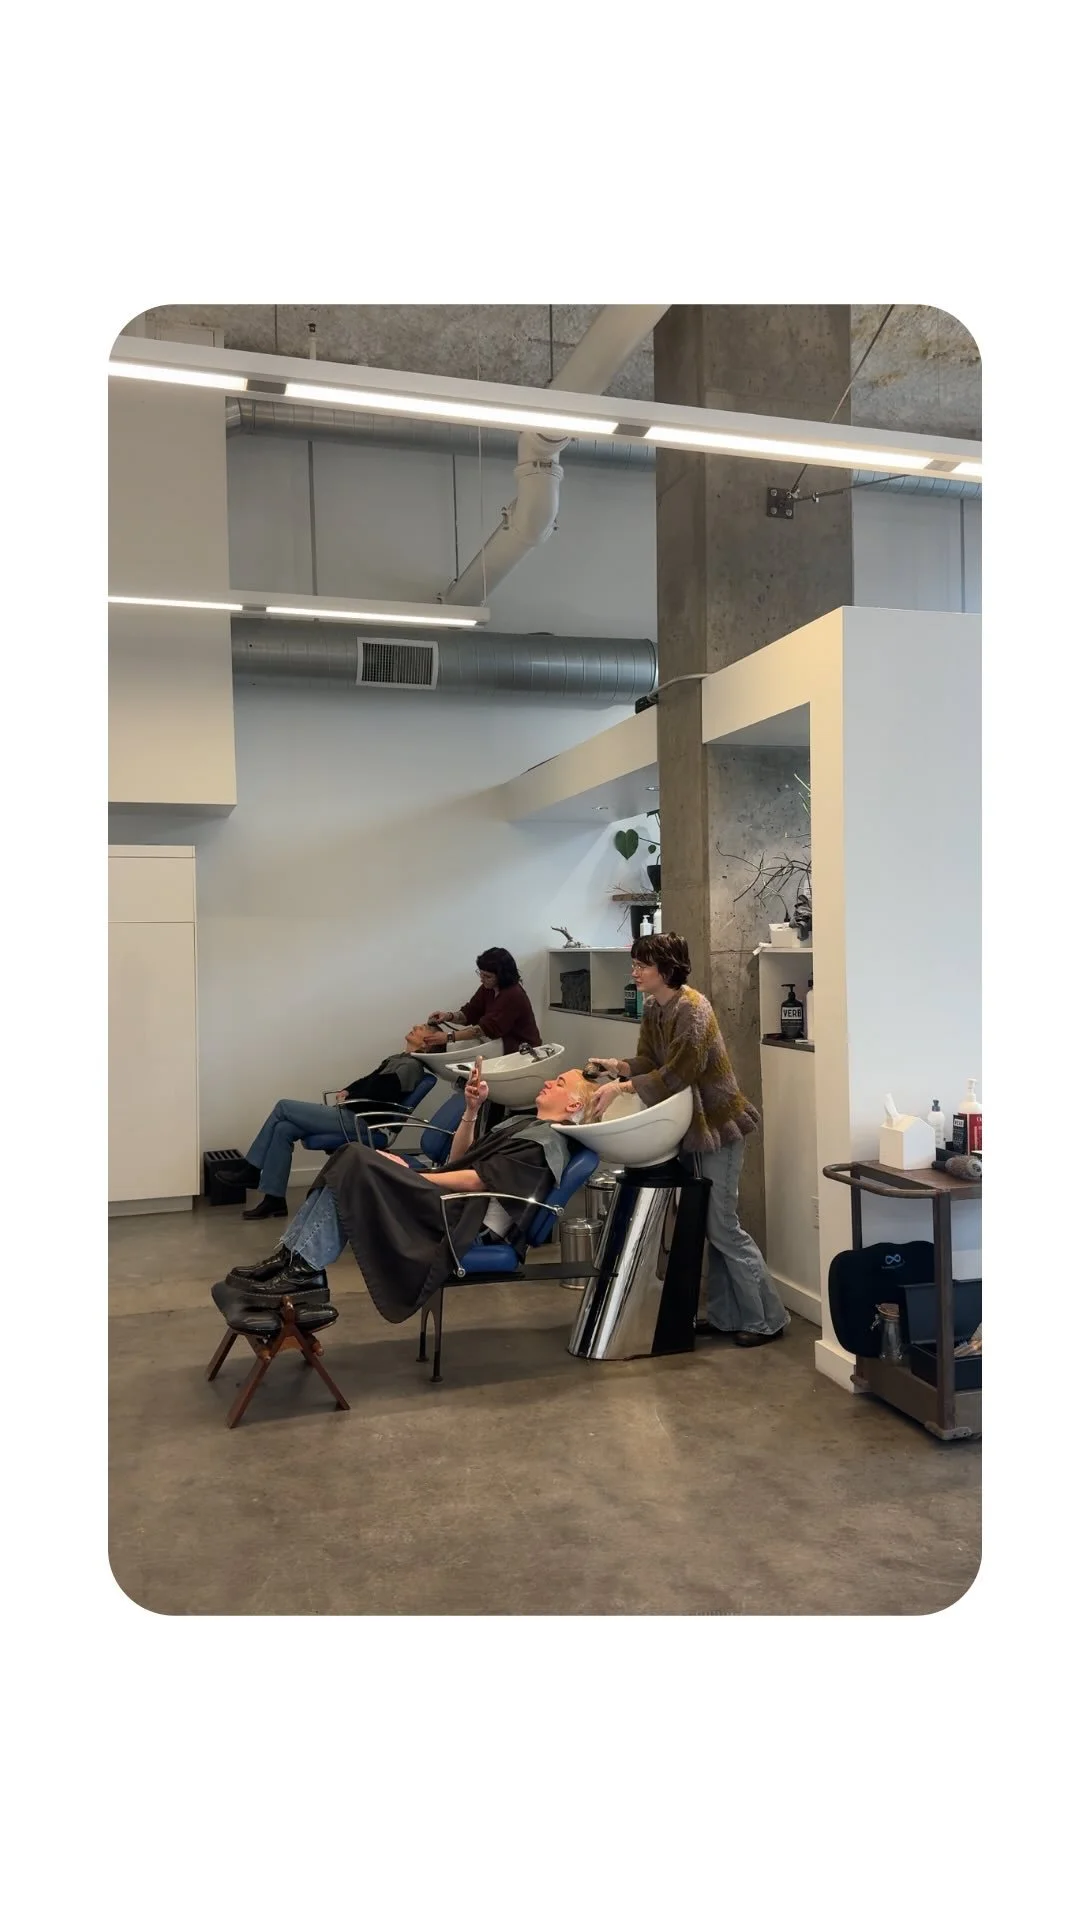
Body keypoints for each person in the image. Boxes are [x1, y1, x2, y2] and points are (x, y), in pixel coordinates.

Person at [222, 1060, 594, 1324]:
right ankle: (294, 1259)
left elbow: (477, 1181)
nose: (550, 1082)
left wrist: (414, 1175)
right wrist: (471, 1110)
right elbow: (459, 1159)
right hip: (451, 1204)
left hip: (461, 1222)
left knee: (355, 1158)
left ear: (574, 1105)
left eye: (560, 1083)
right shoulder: (524, 1124)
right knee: (350, 1160)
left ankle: (304, 1269)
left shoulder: (545, 1144)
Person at [587, 932, 789, 1349]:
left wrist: (621, 1088)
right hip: (693, 1131)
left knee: (723, 1227)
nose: (635, 972)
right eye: (635, 964)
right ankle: (728, 1316)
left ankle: (768, 1318)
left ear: (666, 969)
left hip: (719, 1129)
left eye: (642, 965)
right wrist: (617, 1067)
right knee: (710, 1226)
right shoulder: (654, 1008)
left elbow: (680, 1073)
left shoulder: (694, 1009)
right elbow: (650, 1061)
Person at [217, 1024, 449, 1221]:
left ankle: (251, 1169)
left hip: (363, 1123)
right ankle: (274, 1199)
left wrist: (353, 1094)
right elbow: (369, 1080)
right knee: (283, 1128)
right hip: (352, 1114)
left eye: (422, 1028)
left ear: (427, 1043)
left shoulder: (410, 1067)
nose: (415, 1027)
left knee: (283, 1107)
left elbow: (382, 1092)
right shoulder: (399, 1059)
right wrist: (349, 1089)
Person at [426, 947, 541, 1054]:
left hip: (521, 1050)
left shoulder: (513, 994)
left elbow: (486, 1029)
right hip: (499, 1044)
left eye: (487, 976)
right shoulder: (488, 988)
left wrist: (449, 1037)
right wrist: (448, 1016)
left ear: (502, 976)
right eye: (480, 974)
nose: (482, 979)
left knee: (458, 1052)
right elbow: (470, 1012)